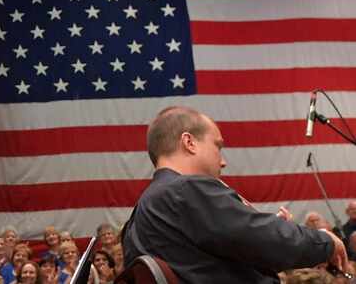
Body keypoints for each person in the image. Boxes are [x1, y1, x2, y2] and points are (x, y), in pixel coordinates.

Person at [122, 106, 347, 283]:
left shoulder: (137, 220)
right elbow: (265, 239)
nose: (223, 161)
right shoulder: (186, 190)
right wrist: (325, 241)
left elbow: (209, 260)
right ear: (189, 142)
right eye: (217, 146)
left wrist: (262, 229)